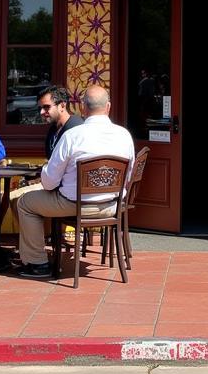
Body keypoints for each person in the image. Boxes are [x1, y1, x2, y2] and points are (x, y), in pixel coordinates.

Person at [15, 85, 134, 279]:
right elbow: (127, 178)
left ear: (83, 108)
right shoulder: (124, 135)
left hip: (74, 205)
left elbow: (48, 182)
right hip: (112, 206)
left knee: (25, 203)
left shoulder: (72, 136)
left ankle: (38, 264)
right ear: (108, 107)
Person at [40, 85, 84, 158]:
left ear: (62, 106)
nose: (41, 112)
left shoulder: (76, 129)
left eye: (46, 107)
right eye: (40, 108)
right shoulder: (53, 130)